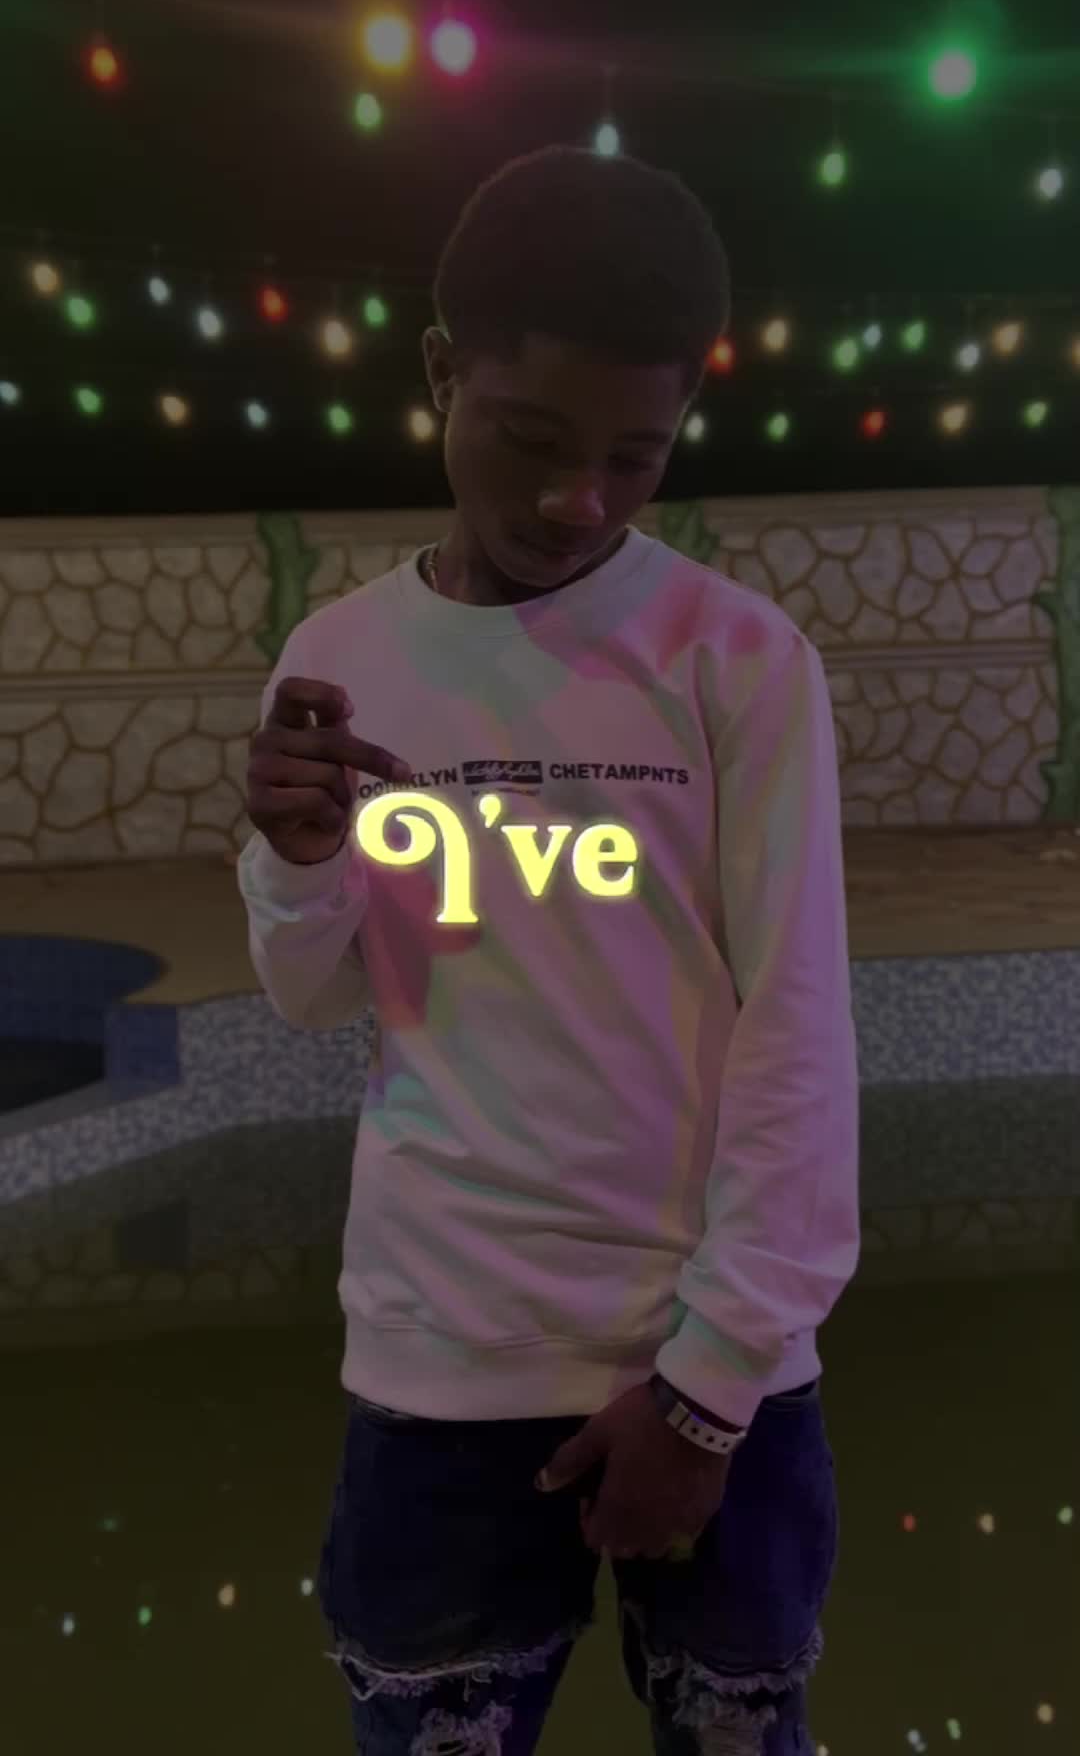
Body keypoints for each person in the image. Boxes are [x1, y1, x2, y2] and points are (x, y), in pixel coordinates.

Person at [237, 145, 860, 1755]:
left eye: (634, 458)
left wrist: (710, 1393)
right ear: (443, 372)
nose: (579, 501)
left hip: (715, 1370)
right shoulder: (341, 654)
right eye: (532, 441)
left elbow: (798, 1035)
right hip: (444, 1364)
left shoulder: (738, 661)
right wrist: (299, 859)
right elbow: (316, 993)